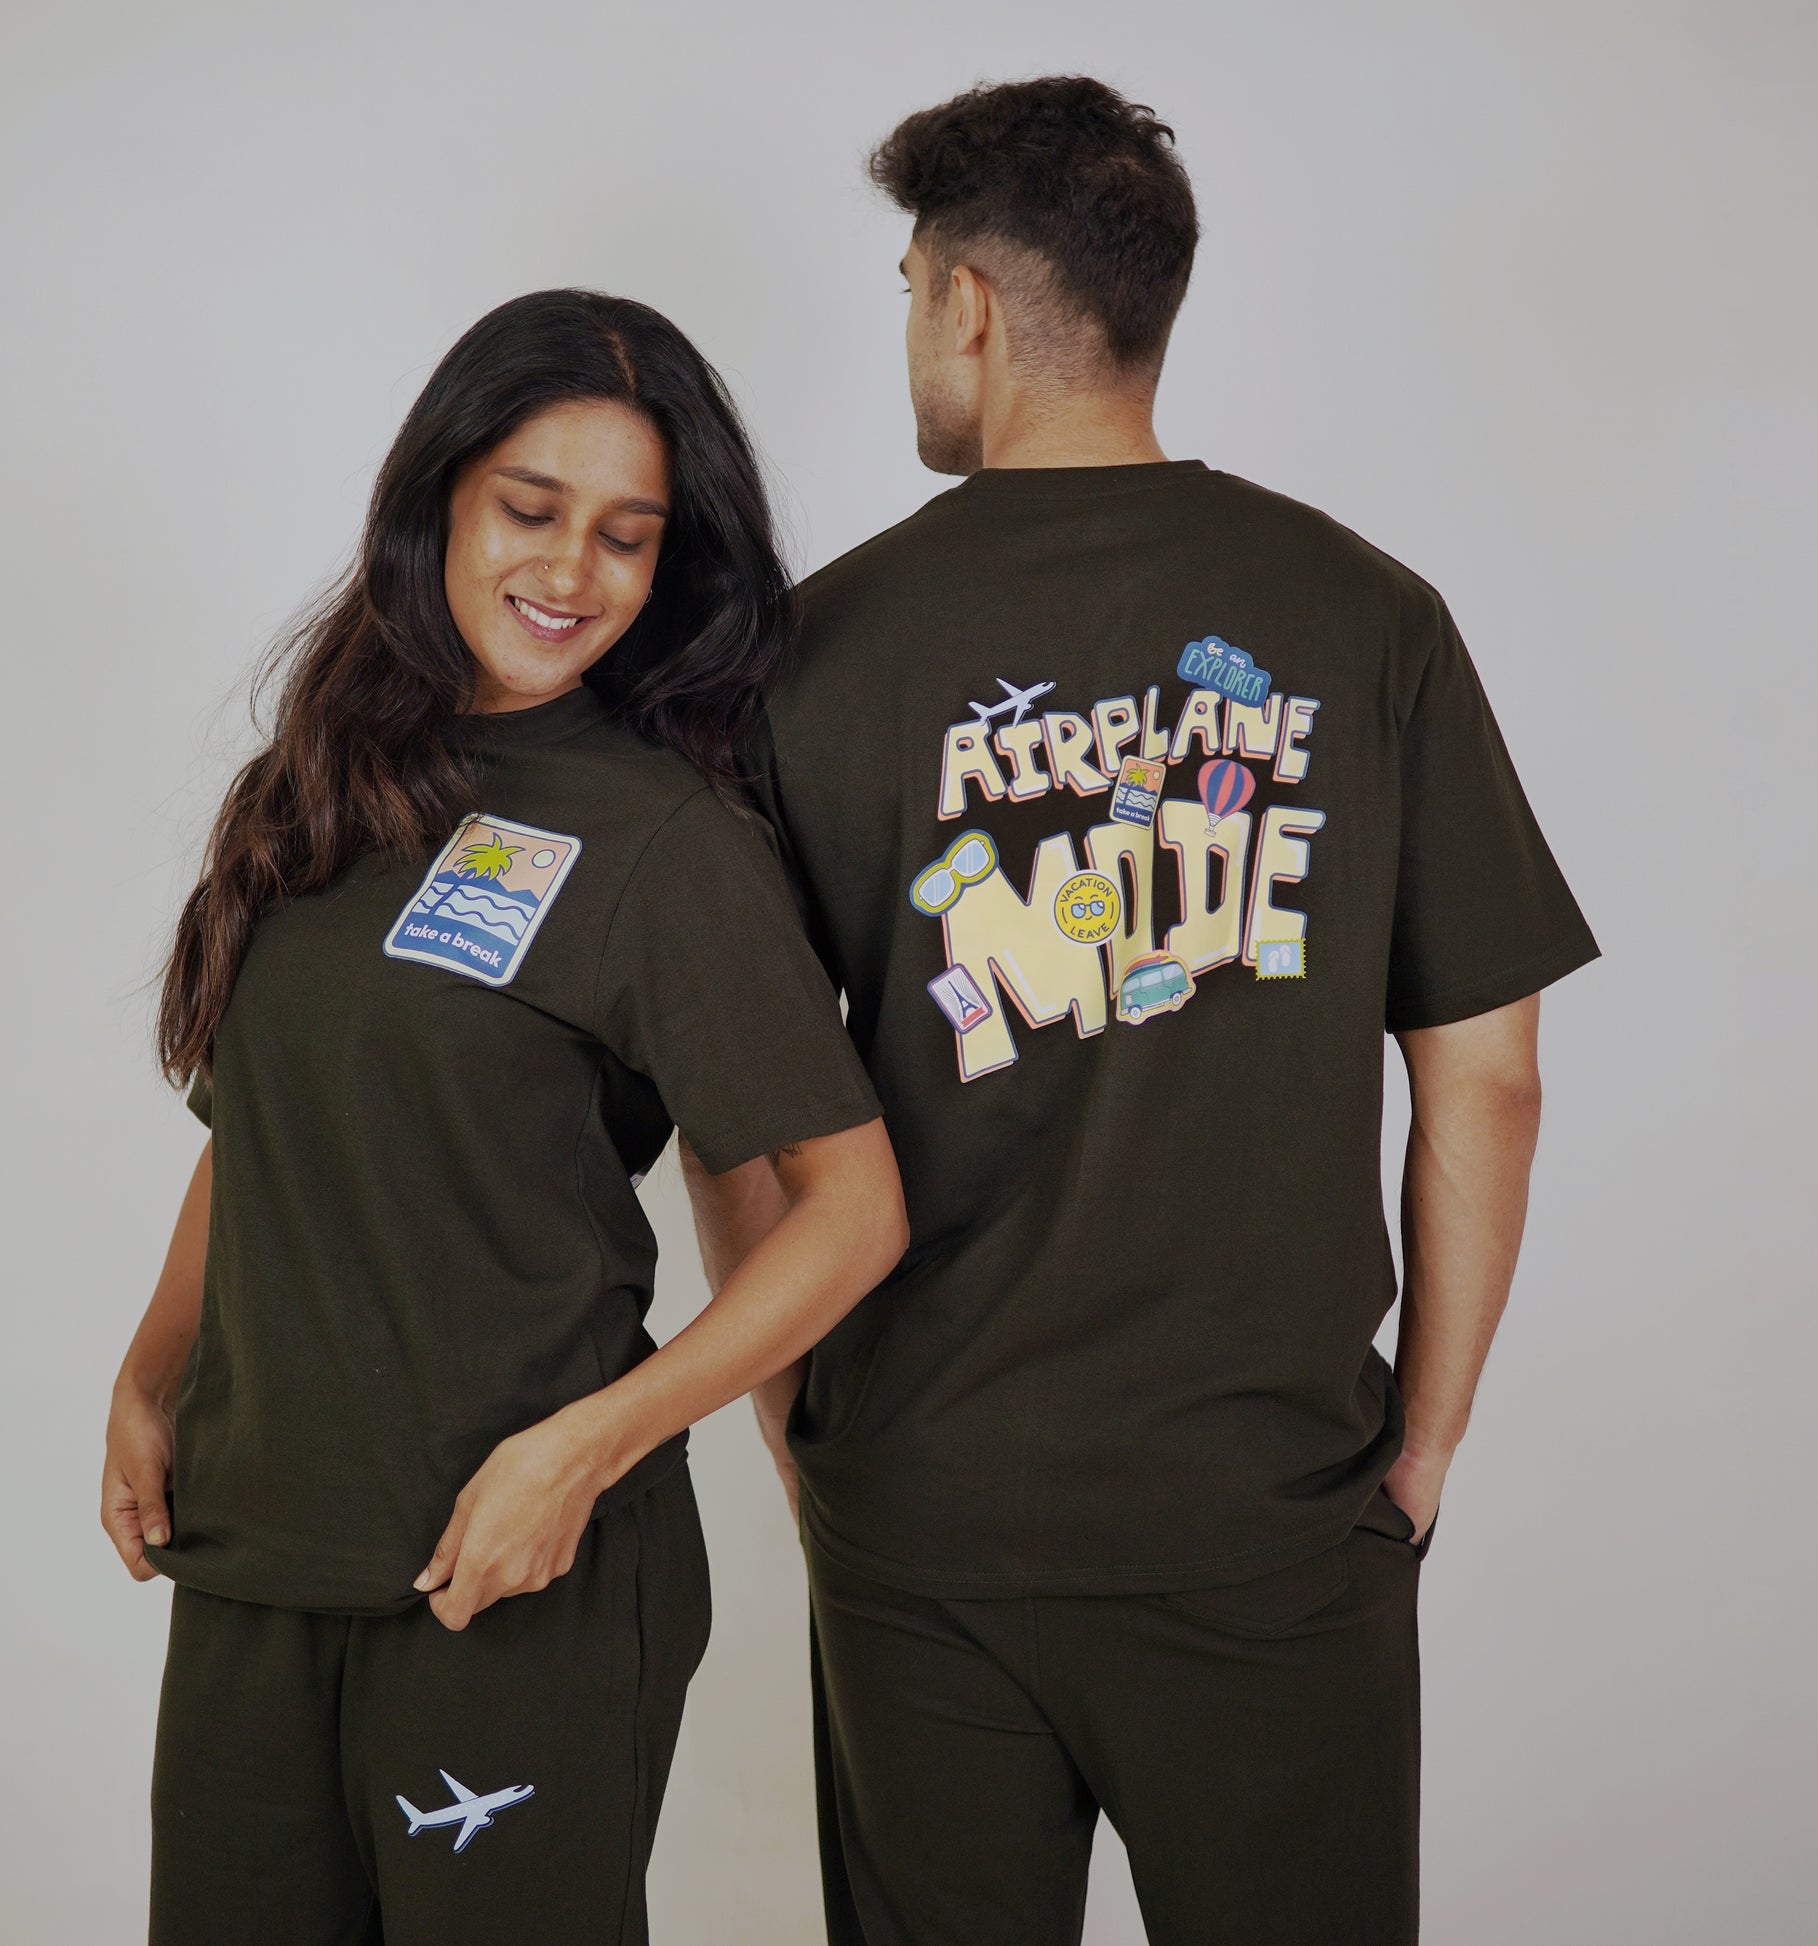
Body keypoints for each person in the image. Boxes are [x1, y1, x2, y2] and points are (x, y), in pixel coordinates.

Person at [681, 78, 1600, 1945]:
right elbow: (1488, 1074)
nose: (911, 332)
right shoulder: (1365, 613)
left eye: (909, 291)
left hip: (925, 1512)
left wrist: (797, 1426)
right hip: (1270, 1517)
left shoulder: (812, 654)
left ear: (966, 303)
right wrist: (1419, 1444)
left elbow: (744, 1108)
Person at [100, 290, 906, 1946]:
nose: (570, 571)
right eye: (529, 510)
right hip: (253, 1557)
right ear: (438, 501)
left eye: (625, 536)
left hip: (515, 1574)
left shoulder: (669, 844)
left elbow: (853, 1210)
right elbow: (257, 1131)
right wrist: (151, 1369)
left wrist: (586, 1448)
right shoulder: (313, 787)